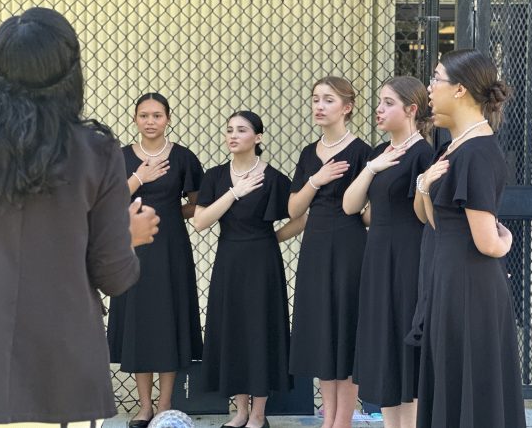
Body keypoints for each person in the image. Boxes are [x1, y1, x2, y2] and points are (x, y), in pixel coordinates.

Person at [0, 7, 143, 427]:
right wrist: (128, 235)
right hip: (62, 375)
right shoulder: (96, 151)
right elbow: (114, 275)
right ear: (69, 71)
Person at [415, 49, 526, 427]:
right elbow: (434, 221)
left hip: (469, 287)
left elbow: (487, 242)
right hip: (448, 280)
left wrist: (506, 241)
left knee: (468, 386)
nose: (429, 88)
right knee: (451, 380)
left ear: (460, 89)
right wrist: (424, 186)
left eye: (435, 78)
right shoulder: (453, 146)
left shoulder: (478, 151)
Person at [194, 110, 306, 428]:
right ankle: (240, 410)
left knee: (260, 329)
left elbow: (301, 216)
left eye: (241, 130)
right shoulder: (215, 176)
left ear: (257, 138)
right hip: (229, 261)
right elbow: (201, 221)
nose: (233, 135)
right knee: (234, 330)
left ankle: (259, 414)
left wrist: (273, 238)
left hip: (262, 263)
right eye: (229, 129)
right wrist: (234, 192)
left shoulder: (273, 178)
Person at [107, 93, 204, 427]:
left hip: (171, 249)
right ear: (135, 119)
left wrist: (166, 214)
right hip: (132, 248)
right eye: (144, 115)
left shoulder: (183, 158)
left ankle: (165, 405)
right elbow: (107, 202)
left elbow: (196, 203)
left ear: (168, 118)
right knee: (140, 322)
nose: (151, 121)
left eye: (157, 115)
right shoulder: (119, 158)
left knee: (169, 320)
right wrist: (139, 179)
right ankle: (144, 406)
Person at [342, 76, 433, 428]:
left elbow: (423, 214)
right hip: (377, 257)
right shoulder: (379, 153)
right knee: (384, 348)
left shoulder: (423, 154)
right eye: (379, 102)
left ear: (411, 110)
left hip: (408, 258)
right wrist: (370, 168)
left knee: (403, 347)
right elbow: (351, 206)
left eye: (389, 103)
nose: (379, 109)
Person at [288, 77, 373, 428]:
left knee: (346, 327)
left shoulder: (362, 152)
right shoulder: (309, 153)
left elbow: (367, 212)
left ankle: (344, 419)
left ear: (347, 107)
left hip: (350, 246)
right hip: (316, 246)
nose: (319, 106)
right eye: (315, 99)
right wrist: (316, 180)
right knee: (322, 327)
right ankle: (328, 417)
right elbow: (294, 209)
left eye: (328, 100)